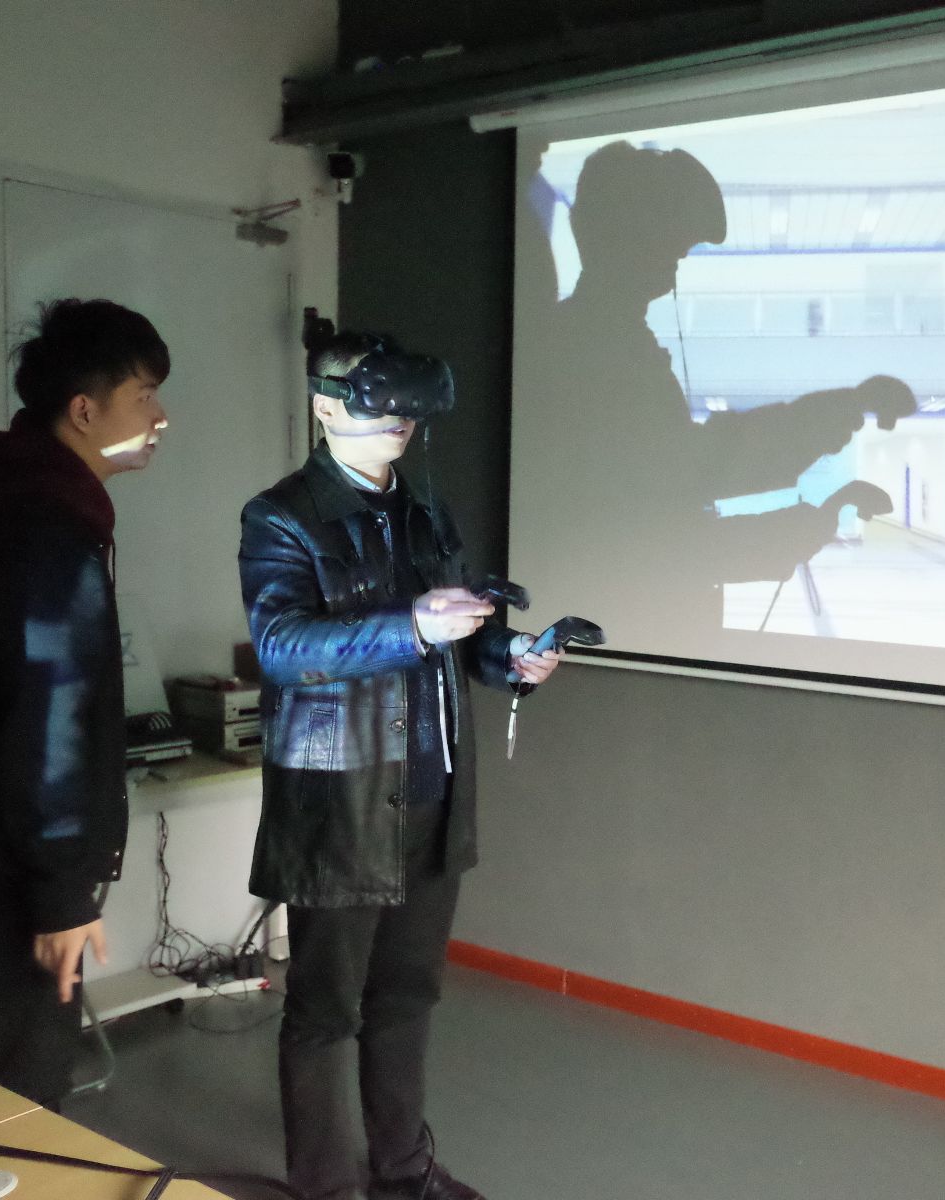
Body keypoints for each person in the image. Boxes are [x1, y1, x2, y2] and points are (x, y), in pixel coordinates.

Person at [239, 330, 561, 1200]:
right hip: (340, 803)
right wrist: (413, 624)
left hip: (432, 794)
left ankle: (404, 1170)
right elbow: (282, 646)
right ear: (324, 405)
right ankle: (325, 1187)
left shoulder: (425, 512)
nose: (401, 422)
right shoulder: (280, 517)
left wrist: (510, 655)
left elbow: (459, 637)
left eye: (410, 409)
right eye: (380, 403)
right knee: (324, 1011)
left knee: (408, 996)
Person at [0, 298, 170, 1108]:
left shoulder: (8, 503)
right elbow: (51, 721)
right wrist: (59, 894)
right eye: (144, 395)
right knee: (14, 1092)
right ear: (85, 411)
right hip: (12, 865)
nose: (160, 417)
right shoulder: (48, 527)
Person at [520, 139, 917, 648]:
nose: (673, 270)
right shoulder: (596, 351)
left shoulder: (601, 342)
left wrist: (820, 495)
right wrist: (836, 434)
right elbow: (673, 498)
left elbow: (676, 490)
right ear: (623, 238)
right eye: (671, 249)